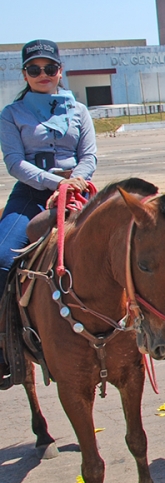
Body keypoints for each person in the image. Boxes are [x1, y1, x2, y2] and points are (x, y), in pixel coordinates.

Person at [0, 40, 98, 389]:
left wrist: (76, 182)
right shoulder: (11, 114)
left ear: (60, 71)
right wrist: (52, 183)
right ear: (25, 74)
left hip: (77, 191)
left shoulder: (81, 111)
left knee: (122, 247)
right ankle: (6, 347)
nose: (43, 75)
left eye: (50, 68)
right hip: (31, 194)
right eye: (34, 69)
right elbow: (14, 162)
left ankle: (136, 331)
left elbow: (89, 156)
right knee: (0, 258)